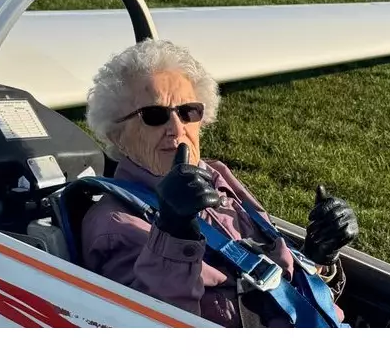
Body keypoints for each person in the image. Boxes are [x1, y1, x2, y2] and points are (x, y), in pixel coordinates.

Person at [81, 38, 359, 327]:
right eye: (154, 115)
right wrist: (173, 232)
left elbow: (277, 276)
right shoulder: (113, 224)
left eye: (188, 111)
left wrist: (318, 255)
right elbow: (153, 324)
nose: (177, 128)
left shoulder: (216, 175)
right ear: (117, 136)